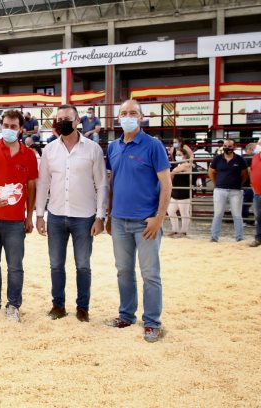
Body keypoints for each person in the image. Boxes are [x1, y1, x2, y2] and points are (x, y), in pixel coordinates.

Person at [104, 100, 171, 343]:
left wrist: (158, 218)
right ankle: (126, 315)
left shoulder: (153, 146)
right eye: (124, 113)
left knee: (150, 273)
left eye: (133, 113)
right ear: (118, 117)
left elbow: (166, 184)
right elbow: (113, 182)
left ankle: (152, 322)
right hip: (119, 220)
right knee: (123, 271)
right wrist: (110, 215)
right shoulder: (113, 147)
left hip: (146, 222)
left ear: (141, 117)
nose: (128, 116)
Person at [35, 104, 107, 323]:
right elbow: (43, 183)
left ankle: (82, 307)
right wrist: (39, 215)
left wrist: (100, 216)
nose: (62, 122)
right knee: (56, 264)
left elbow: (102, 184)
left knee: (83, 265)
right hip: (55, 214)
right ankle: (58, 305)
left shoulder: (93, 149)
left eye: (67, 118)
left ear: (78, 122)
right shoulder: (49, 150)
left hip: (84, 216)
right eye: (59, 119)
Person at [0, 109, 37, 322]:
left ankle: (13, 304)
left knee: (15, 266)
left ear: (21, 129)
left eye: (13, 126)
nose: (9, 130)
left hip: (15, 221)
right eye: (6, 126)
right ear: (1, 126)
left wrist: (29, 217)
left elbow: (31, 187)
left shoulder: (29, 155)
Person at [208, 139, 248, 242]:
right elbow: (211, 172)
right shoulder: (217, 159)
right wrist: (217, 183)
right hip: (220, 189)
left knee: (237, 214)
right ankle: (214, 237)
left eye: (229, 146)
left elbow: (244, 174)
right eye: (225, 145)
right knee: (218, 214)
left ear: (234, 147)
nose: (227, 148)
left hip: (236, 190)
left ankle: (239, 237)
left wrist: (239, 184)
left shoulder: (240, 159)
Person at [167, 148, 194, 238]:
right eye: (177, 155)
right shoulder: (177, 165)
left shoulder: (189, 165)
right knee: (171, 211)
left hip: (184, 193)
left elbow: (175, 172)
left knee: (184, 213)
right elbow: (171, 176)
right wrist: (175, 171)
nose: (177, 156)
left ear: (185, 156)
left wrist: (175, 171)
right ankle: (175, 229)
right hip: (175, 192)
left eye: (179, 155)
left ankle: (183, 231)